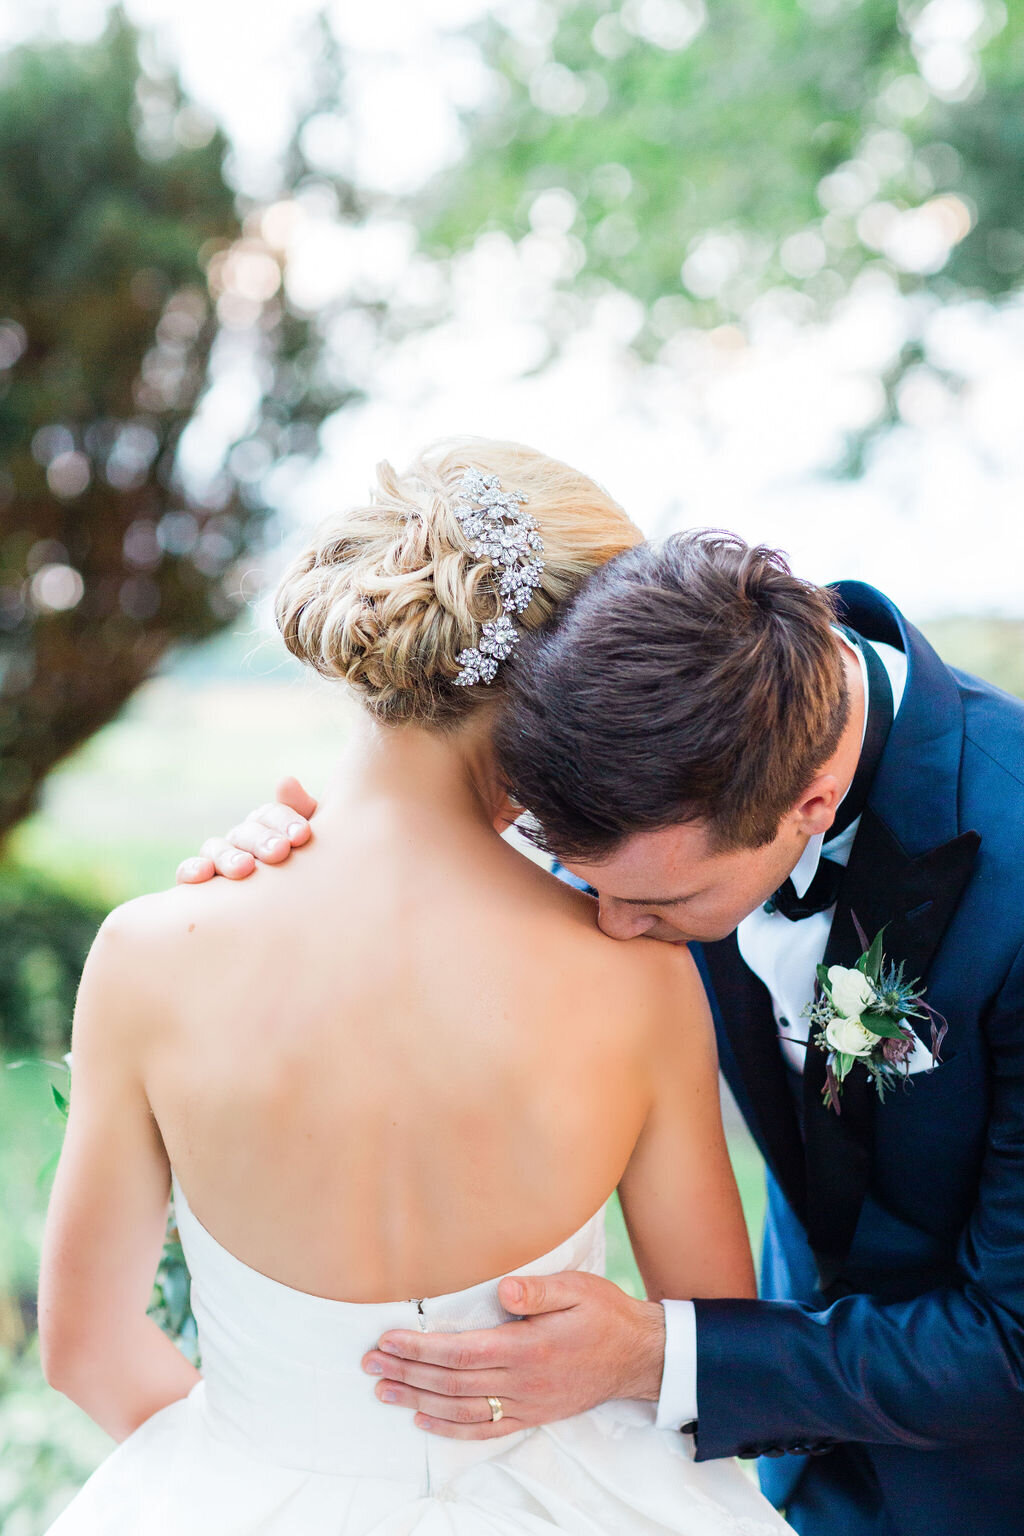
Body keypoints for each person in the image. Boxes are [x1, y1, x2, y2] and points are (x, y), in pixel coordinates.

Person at [38, 442, 792, 1536]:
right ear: (578, 676)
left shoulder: (152, 951)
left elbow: (88, 1350)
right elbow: (715, 1336)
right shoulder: (635, 974)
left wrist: (266, 1475)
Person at [204, 532, 1024, 1536]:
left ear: (807, 807)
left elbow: (1014, 1343)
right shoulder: (645, 726)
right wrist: (285, 865)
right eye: (587, 883)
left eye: (653, 904)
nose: (612, 927)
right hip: (802, 1476)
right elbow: (430, 867)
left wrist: (649, 1353)